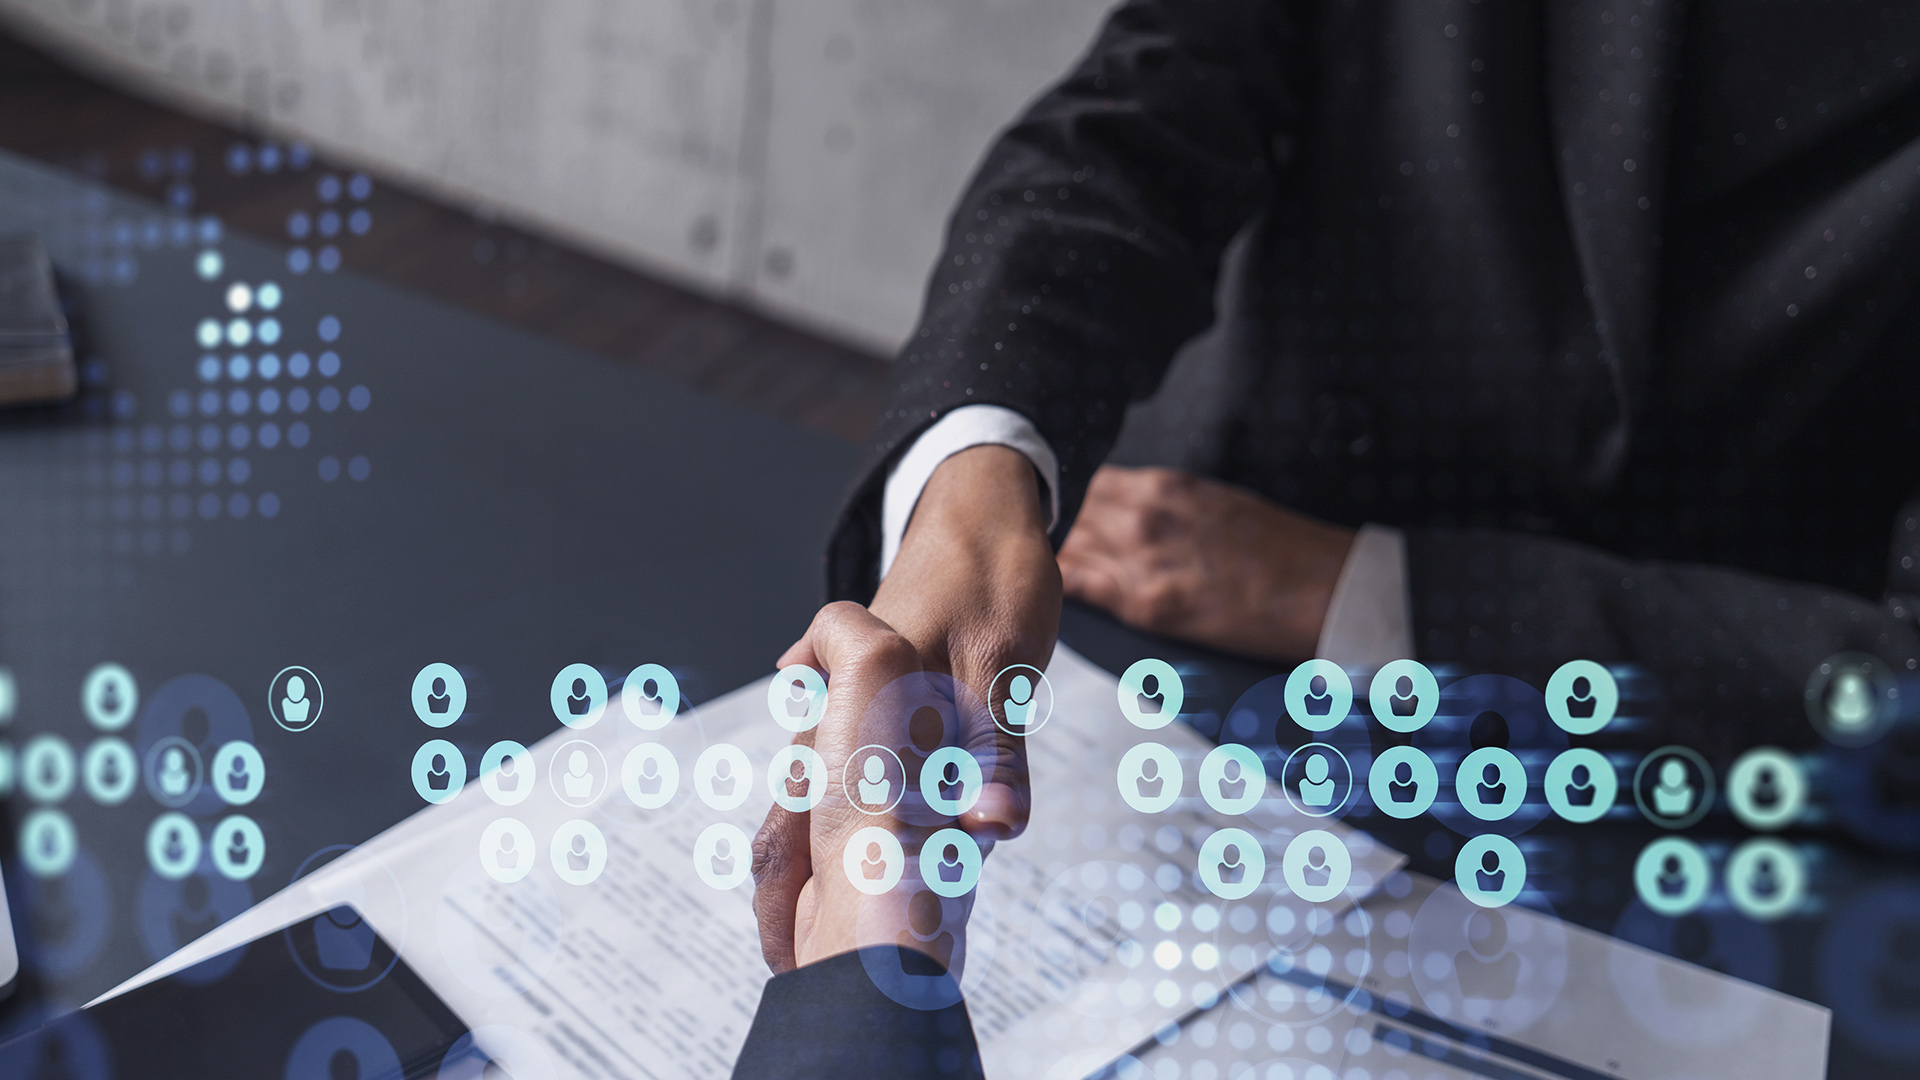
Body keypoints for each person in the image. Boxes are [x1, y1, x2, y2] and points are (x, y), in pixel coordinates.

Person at [747, 3, 1920, 1074]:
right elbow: (1134, 119)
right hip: (1188, 641)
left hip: (1730, 787)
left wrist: (1368, 588)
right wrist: (972, 481)